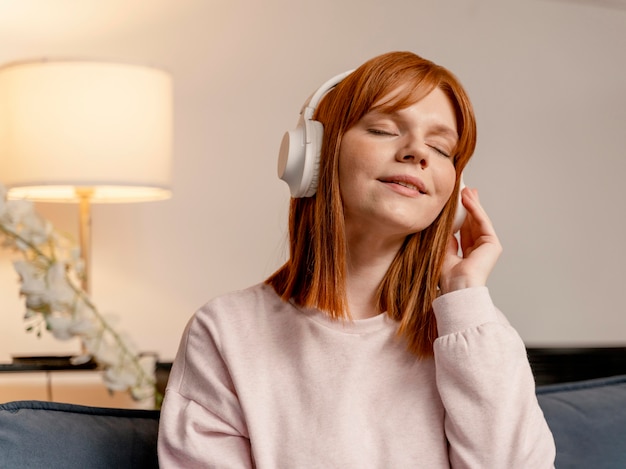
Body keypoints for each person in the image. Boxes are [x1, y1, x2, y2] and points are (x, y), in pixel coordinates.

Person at [158, 51, 556, 468]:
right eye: (385, 129)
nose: (418, 152)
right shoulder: (225, 332)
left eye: (441, 148)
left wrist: (464, 296)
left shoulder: (474, 331)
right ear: (315, 156)